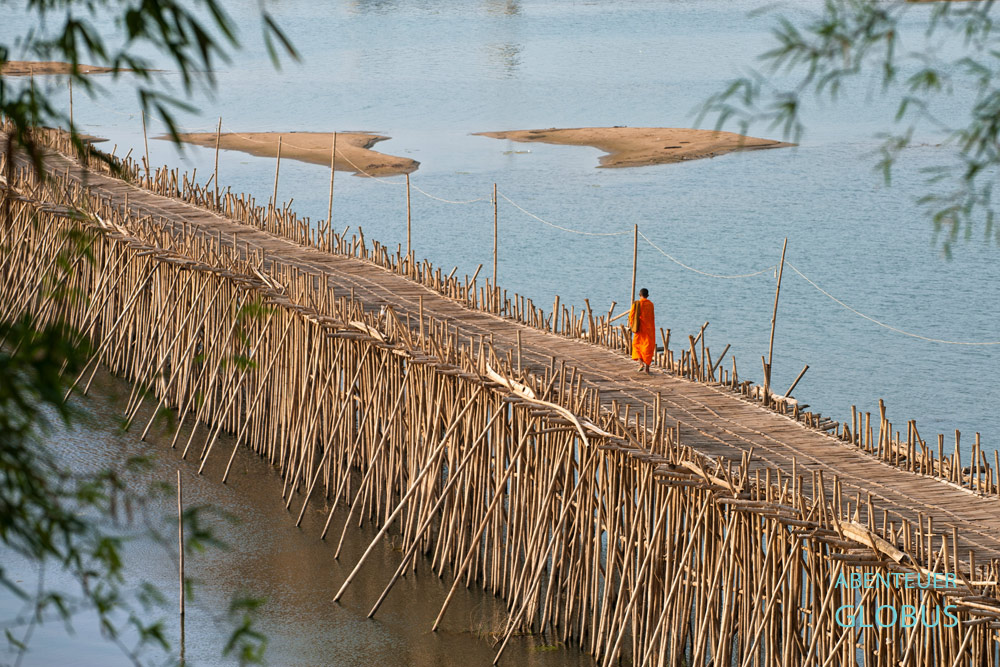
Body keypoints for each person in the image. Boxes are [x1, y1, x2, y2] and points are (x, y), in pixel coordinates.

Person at [629, 288, 655, 374]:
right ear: (647, 296)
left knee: (636, 345)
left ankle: (641, 364)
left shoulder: (637, 304)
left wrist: (632, 325)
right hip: (649, 330)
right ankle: (647, 368)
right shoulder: (651, 304)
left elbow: (631, 316)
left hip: (639, 329)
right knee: (648, 348)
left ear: (639, 295)